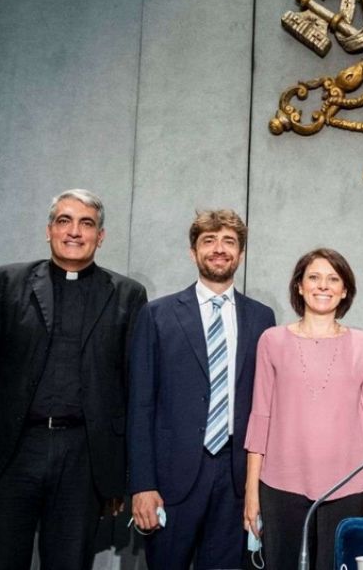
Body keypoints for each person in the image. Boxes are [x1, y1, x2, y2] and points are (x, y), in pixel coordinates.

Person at [0, 189, 147, 569]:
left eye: (87, 223)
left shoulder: (128, 295)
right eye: (64, 221)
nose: (74, 232)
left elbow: (134, 389)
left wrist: (117, 476)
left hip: (83, 458)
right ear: (49, 230)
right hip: (12, 452)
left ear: (101, 236)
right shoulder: (7, 283)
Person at [127, 209, 275, 569]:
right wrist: (141, 485)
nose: (219, 249)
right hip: (171, 479)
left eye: (229, 242)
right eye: (209, 240)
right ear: (193, 252)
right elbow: (140, 405)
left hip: (235, 477)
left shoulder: (262, 318)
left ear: (241, 253)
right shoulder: (157, 315)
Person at [243, 248, 363, 570]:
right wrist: (252, 492)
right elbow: (260, 417)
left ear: (345, 289)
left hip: (348, 486)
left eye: (333, 279)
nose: (324, 286)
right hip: (281, 489)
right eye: (314, 277)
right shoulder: (271, 341)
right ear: (299, 286)